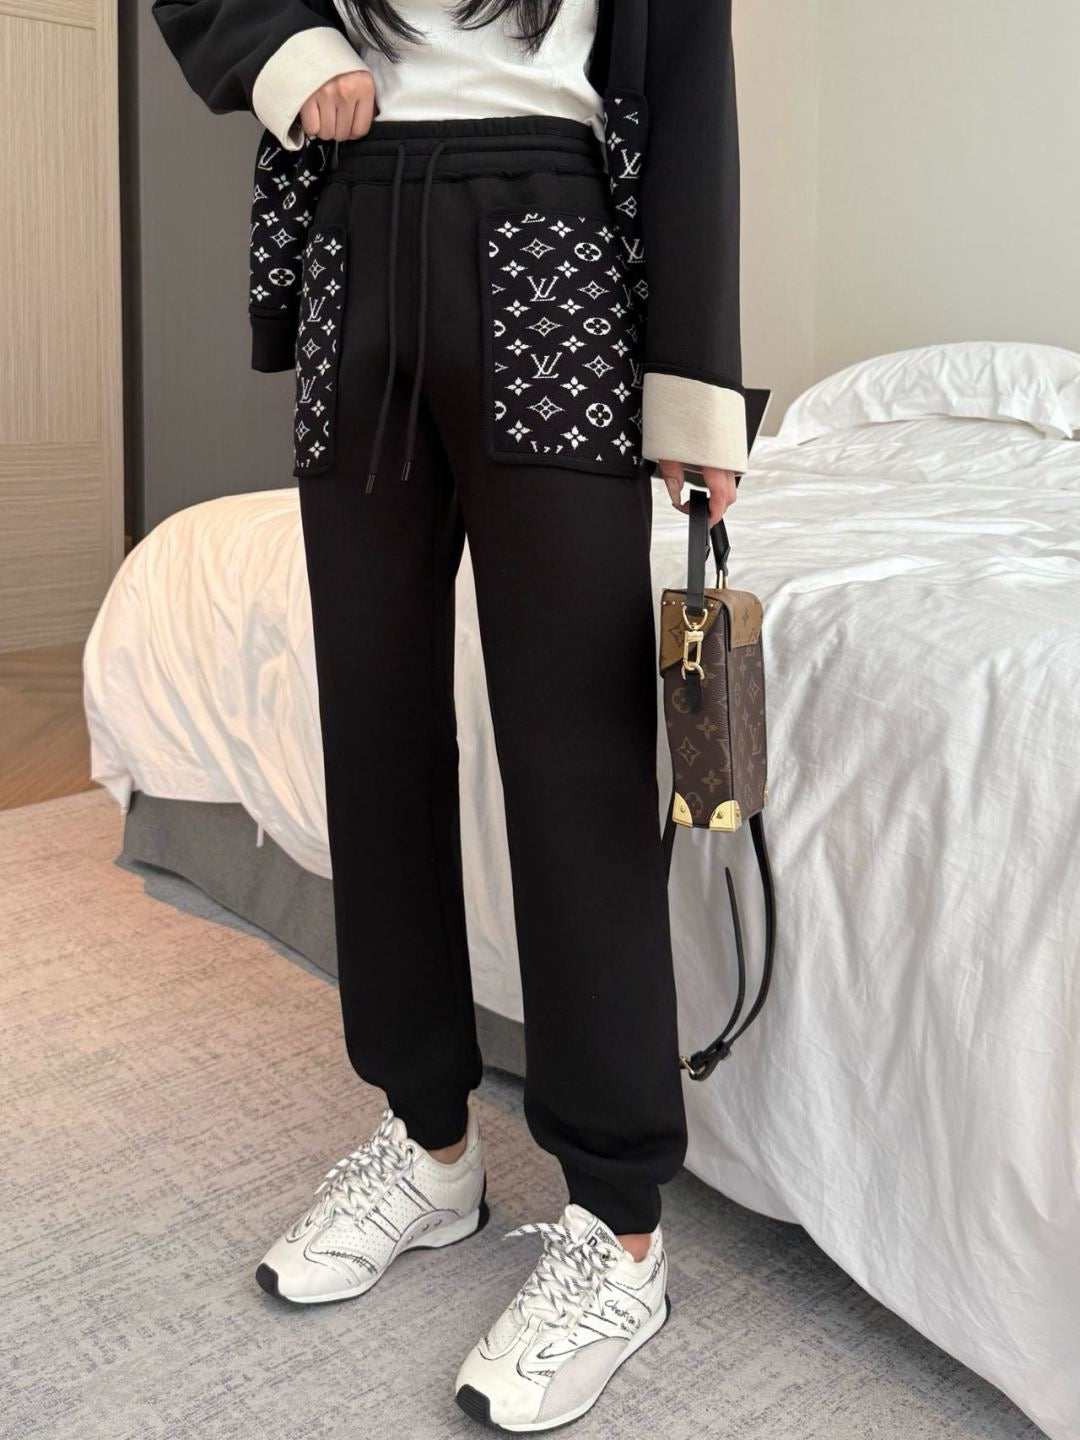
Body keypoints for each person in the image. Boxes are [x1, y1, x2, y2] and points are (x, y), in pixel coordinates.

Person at [153, 0, 746, 1428]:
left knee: (573, 750)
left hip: (553, 245)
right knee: (372, 728)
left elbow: (687, 93)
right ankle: (429, 1147)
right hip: (353, 242)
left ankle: (618, 1225)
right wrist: (289, 57)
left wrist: (694, 389)